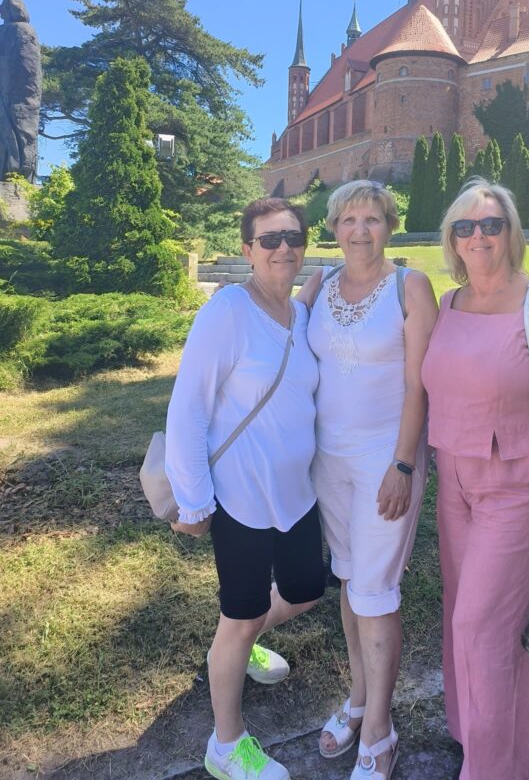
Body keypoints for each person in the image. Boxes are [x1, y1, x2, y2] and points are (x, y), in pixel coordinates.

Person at [421, 178, 529, 780]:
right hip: (453, 485)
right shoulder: (448, 305)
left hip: (514, 489)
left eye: (491, 224)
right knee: (465, 618)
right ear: (452, 240)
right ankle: (486, 747)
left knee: (481, 628)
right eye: (465, 227)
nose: (478, 236)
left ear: (510, 233)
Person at [165, 197, 326, 780]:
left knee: (306, 589)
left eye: (293, 237)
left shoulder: (301, 316)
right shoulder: (228, 310)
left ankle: (242, 640)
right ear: (247, 250)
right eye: (269, 239)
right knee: (239, 614)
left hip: (296, 493)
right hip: (239, 497)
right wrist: (194, 499)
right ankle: (227, 744)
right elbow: (188, 408)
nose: (283, 248)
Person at [299, 180, 438, 780]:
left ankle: (380, 730)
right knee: (351, 579)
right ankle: (358, 700)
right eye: (349, 219)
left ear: (390, 226)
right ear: (333, 227)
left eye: (373, 219)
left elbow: (420, 384)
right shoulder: (319, 285)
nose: (360, 230)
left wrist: (403, 465)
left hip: (386, 461)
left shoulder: (411, 287)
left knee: (375, 592)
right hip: (327, 462)